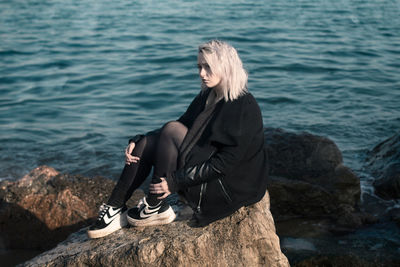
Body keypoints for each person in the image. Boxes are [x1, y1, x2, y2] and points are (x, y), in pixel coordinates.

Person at [87, 40, 269, 239]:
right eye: (199, 66)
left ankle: (154, 205)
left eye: (207, 67)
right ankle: (114, 208)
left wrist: (174, 182)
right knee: (146, 143)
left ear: (225, 67)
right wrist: (139, 140)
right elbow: (184, 124)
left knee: (171, 130)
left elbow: (226, 162)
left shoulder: (244, 106)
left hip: (229, 187)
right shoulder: (208, 94)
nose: (201, 73)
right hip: (207, 165)